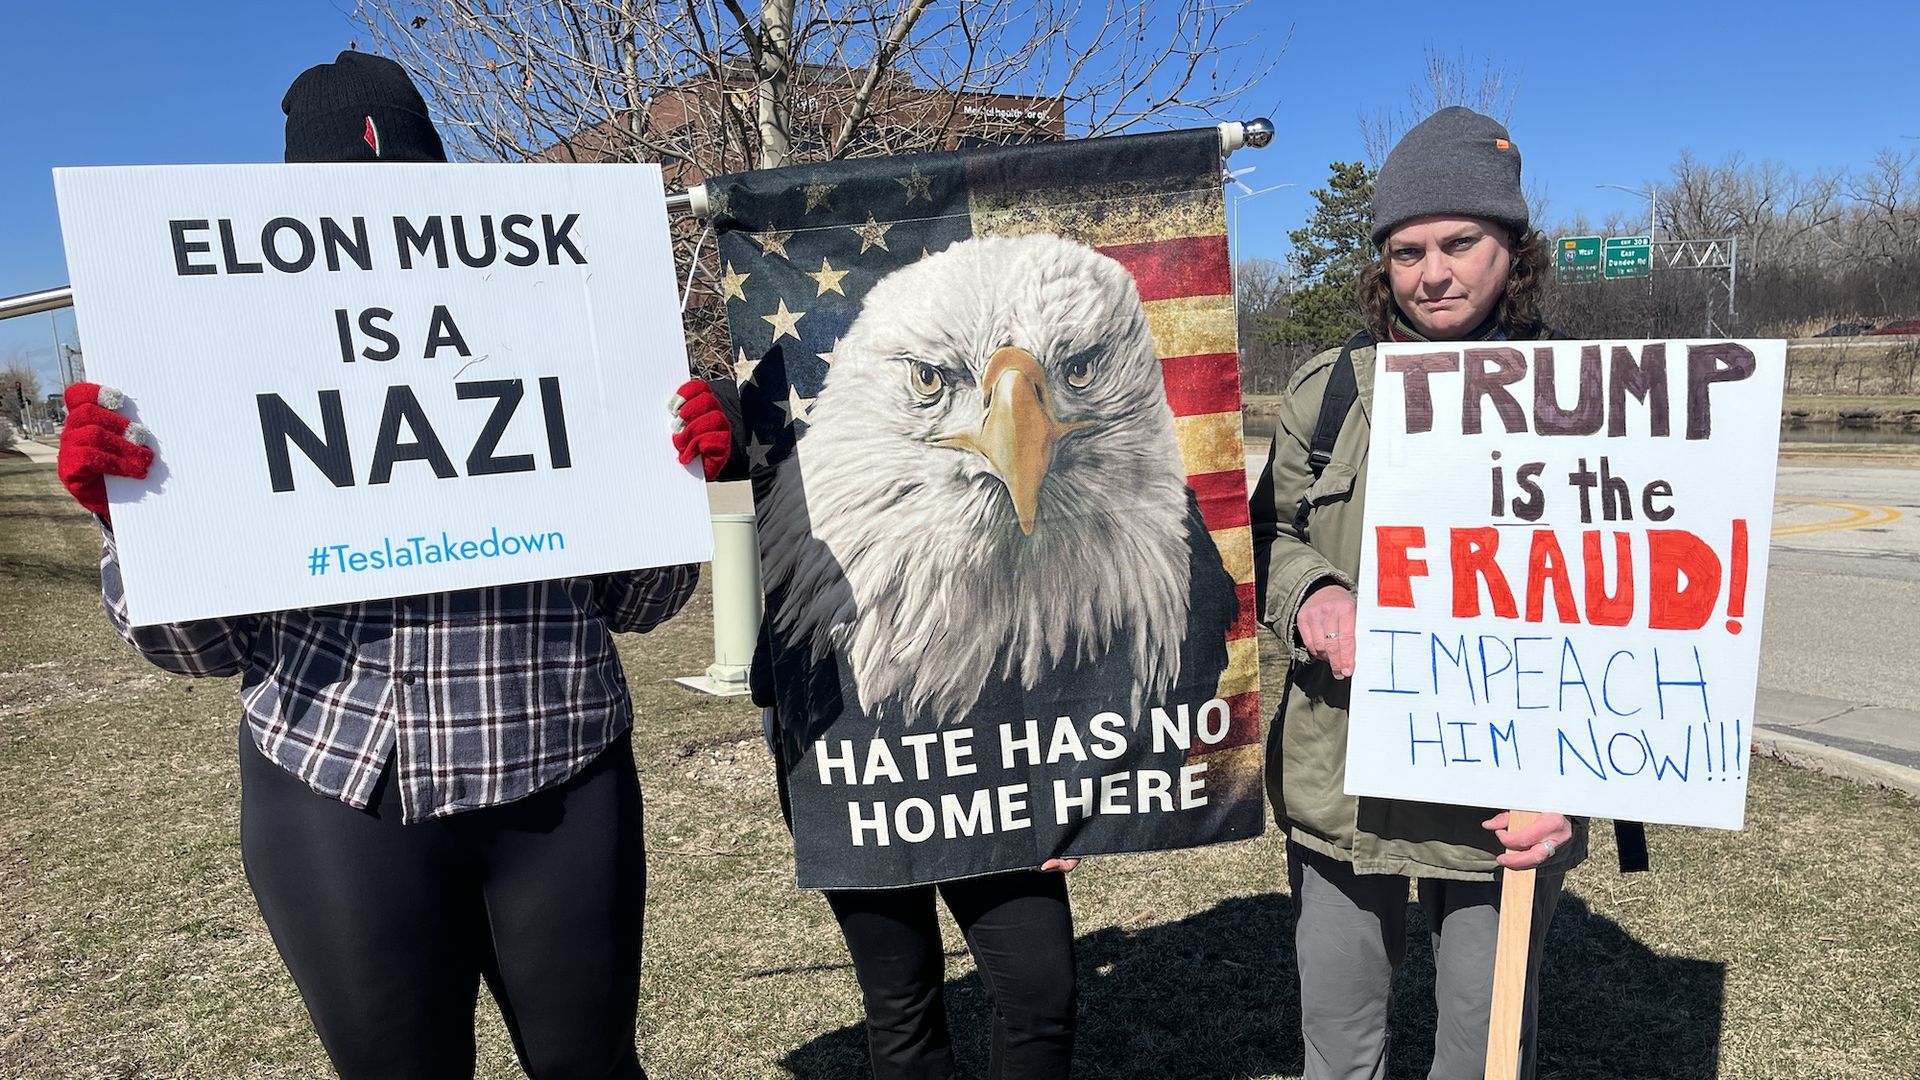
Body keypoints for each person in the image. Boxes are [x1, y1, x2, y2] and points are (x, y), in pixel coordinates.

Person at [54, 51, 736, 1080]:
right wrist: (136, 519)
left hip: (561, 762)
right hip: (333, 782)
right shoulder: (223, 359)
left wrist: (678, 479)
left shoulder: (550, 323)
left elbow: (643, 603)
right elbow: (197, 649)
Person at [1249, 106, 1585, 1080]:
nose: (1433, 273)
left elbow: (1636, 619)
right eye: (1406, 251)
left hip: (1508, 796)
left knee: (1484, 1057)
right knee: (1340, 1054)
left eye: (1460, 243)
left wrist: (1576, 784)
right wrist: (1311, 592)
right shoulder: (1331, 391)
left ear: (1512, 249)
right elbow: (1270, 535)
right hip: (1343, 779)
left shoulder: (1593, 394)